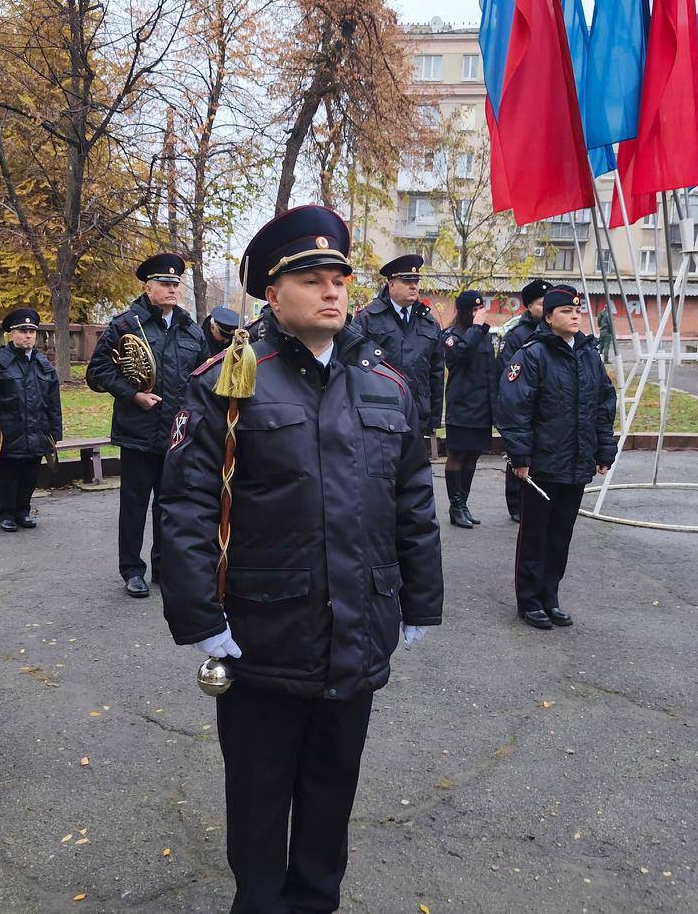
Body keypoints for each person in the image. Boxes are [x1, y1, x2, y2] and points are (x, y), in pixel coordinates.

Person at [160, 204, 444, 913]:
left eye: (340, 277)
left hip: (356, 628)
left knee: (330, 790)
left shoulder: (387, 384)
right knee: (259, 799)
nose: (332, 291)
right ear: (272, 293)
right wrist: (201, 615)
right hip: (264, 632)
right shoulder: (228, 379)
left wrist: (420, 601)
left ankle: (316, 900)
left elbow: (412, 502)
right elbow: (187, 508)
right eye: (312, 278)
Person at [496, 284, 617, 630]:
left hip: (576, 461)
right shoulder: (533, 355)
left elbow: (603, 406)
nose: (575, 315)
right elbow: (514, 407)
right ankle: (529, 600)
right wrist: (520, 455)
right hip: (543, 463)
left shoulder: (589, 355)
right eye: (566, 311)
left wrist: (604, 449)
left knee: (560, 534)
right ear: (548, 318)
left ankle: (550, 595)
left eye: (577, 310)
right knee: (535, 534)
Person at [86, 253, 208, 598]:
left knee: (169, 504)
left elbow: (200, 378)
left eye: (175, 284)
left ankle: (162, 567)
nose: (172, 289)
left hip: (176, 433)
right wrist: (133, 395)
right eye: (165, 284)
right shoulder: (125, 324)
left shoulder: (190, 329)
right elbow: (98, 372)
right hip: (138, 430)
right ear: (147, 287)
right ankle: (132, 570)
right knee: (135, 504)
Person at [0, 308, 62, 532]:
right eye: (22, 331)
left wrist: (55, 432)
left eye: (31, 331)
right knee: (8, 475)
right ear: (12, 334)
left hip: (37, 430)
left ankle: (23, 510)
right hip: (9, 431)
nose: (28, 335)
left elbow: (53, 401)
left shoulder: (43, 364)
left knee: (30, 474)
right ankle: (6, 513)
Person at [353, 254, 445, 437]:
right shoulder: (367, 318)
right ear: (391, 284)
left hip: (417, 415)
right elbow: (353, 367)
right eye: (406, 280)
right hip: (377, 412)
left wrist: (433, 420)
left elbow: (436, 373)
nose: (413, 286)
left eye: (416, 281)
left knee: (415, 465)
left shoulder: (429, 323)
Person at [440, 290, 500, 529]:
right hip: (461, 406)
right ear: (464, 312)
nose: (478, 315)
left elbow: (490, 371)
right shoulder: (451, 336)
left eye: (480, 310)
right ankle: (455, 507)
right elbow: (461, 354)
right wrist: (476, 327)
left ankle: (463, 504)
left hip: (482, 407)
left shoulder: (483, 336)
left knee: (473, 456)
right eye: (473, 311)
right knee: (457, 456)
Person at [493, 278, 550, 522]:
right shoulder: (517, 334)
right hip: (524, 406)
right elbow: (508, 372)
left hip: (548, 409)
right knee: (519, 454)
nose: (545, 307)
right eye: (540, 303)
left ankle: (540, 500)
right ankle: (516, 504)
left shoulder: (554, 332)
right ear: (528, 306)